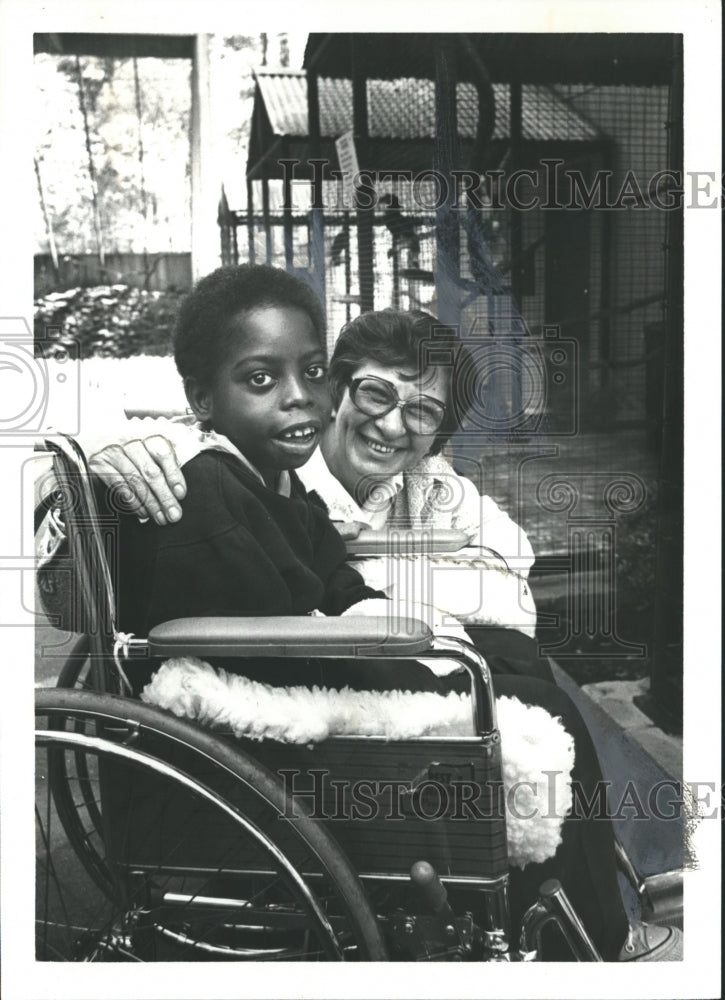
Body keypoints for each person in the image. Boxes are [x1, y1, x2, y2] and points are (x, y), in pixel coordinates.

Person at [88, 275, 681, 961]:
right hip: (277, 702)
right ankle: (579, 927)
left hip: (320, 658)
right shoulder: (205, 484)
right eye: (374, 392)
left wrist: (393, 629)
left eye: (309, 373)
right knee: (527, 699)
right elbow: (255, 636)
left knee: (518, 668)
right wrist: (397, 653)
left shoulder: (283, 484)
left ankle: (586, 905)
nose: (298, 396)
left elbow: (341, 583)